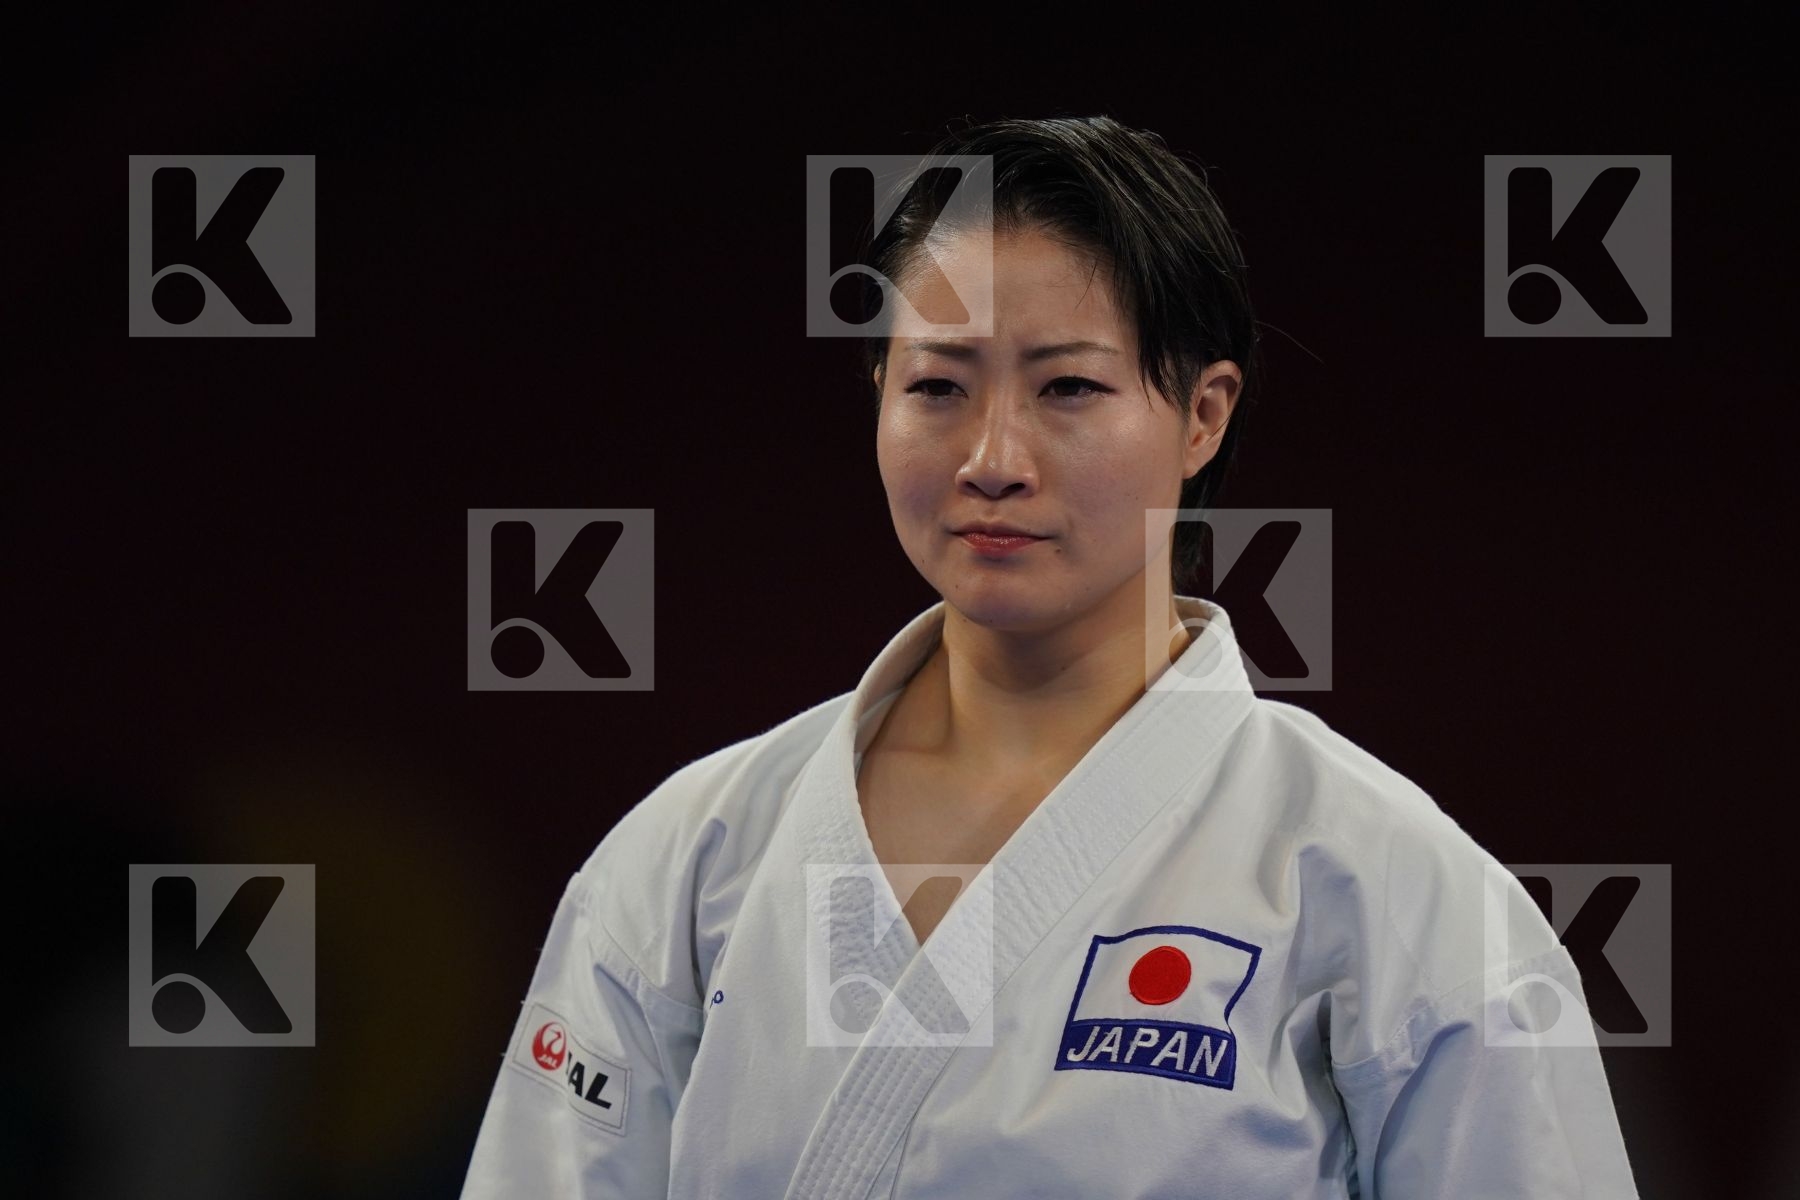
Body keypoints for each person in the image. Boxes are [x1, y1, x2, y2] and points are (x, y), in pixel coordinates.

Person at [459, 115, 1641, 1198]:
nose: (993, 458)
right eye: (936, 386)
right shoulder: (692, 852)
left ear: (1204, 413)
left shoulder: (1385, 883)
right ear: (878, 393)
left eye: (1068, 387)